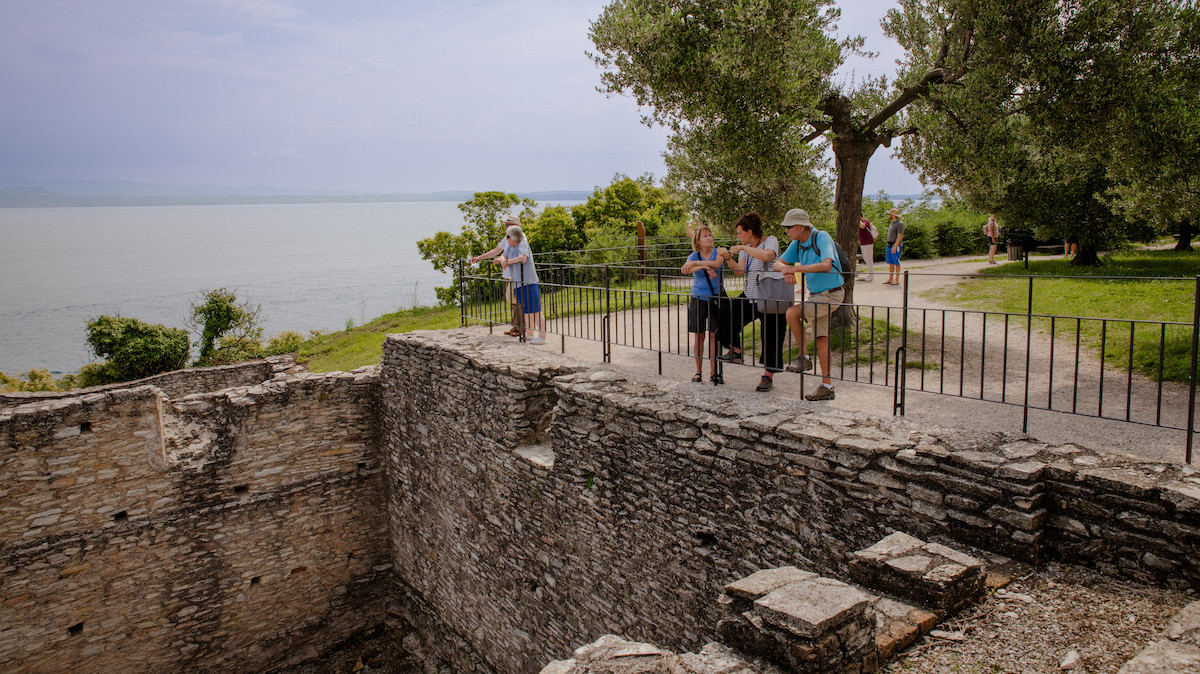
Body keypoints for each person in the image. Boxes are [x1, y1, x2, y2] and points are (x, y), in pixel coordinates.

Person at [774, 209, 846, 401]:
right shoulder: (797, 244)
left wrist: (795, 268)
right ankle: (827, 386)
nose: (787, 231)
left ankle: (804, 358)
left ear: (800, 226)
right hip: (817, 296)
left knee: (791, 313)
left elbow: (826, 265)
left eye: (789, 227)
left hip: (831, 295)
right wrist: (786, 270)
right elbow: (777, 263)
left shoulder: (821, 237)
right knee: (822, 339)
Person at [715, 212, 786, 392]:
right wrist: (728, 258)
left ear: (749, 231)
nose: (738, 237)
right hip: (750, 295)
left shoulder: (771, 240)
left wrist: (743, 248)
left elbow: (768, 256)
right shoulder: (746, 247)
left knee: (771, 335)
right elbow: (739, 271)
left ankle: (767, 375)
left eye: (740, 233)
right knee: (726, 312)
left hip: (770, 296)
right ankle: (736, 350)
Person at [680, 225, 727, 385]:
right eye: (705, 236)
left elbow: (717, 264)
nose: (709, 238)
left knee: (714, 336)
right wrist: (704, 266)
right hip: (698, 298)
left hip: (715, 298)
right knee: (699, 335)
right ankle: (698, 372)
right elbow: (685, 269)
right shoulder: (693, 255)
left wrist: (699, 264)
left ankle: (714, 373)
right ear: (698, 241)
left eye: (710, 235)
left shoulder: (718, 252)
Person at [470, 215, 525, 337]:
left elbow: (519, 256)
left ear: (515, 226)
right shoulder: (507, 237)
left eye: (508, 224)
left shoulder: (520, 238)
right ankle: (516, 326)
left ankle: (520, 328)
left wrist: (505, 260)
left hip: (514, 274)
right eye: (505, 224)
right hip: (508, 274)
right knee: (512, 301)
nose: (506, 227)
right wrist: (479, 258)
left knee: (517, 301)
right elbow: (497, 251)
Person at [498, 225, 547, 345]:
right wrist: (503, 260)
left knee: (536, 310)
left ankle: (542, 336)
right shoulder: (510, 246)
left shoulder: (523, 245)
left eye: (507, 236)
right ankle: (529, 333)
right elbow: (503, 255)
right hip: (519, 283)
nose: (506, 239)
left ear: (513, 237)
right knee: (526, 310)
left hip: (529, 282)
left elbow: (523, 258)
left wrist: (508, 261)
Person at [884, 208, 905, 286]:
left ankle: (896, 279)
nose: (889, 215)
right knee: (891, 262)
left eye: (890, 214)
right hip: (889, 244)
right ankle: (890, 278)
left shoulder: (900, 224)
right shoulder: (892, 223)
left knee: (896, 262)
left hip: (895, 245)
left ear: (893, 215)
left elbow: (900, 236)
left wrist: (895, 246)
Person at [858, 217, 877, 281]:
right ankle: (870, 273)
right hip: (862, 242)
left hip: (868, 242)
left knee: (869, 259)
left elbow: (863, 226)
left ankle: (871, 275)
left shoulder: (865, 220)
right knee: (865, 258)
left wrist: (858, 220)